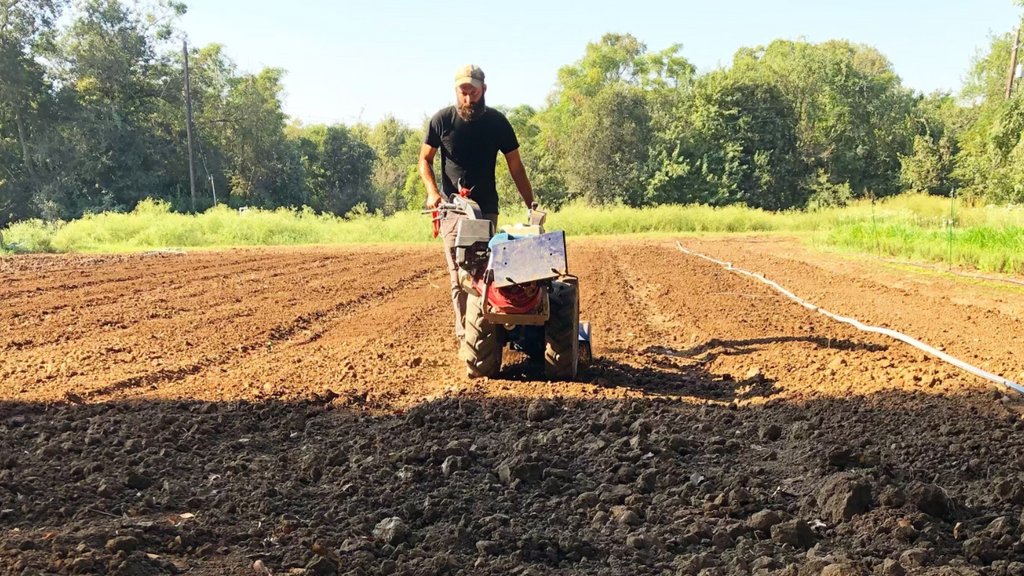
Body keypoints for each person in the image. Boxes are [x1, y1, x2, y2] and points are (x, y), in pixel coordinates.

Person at [419, 64, 535, 342]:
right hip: (452, 210)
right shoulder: (442, 121)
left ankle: (493, 330)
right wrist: (433, 192)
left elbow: (515, 165)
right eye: (463, 92)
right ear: (456, 91)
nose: (468, 98)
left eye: (473, 92)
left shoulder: (497, 123)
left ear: (484, 89)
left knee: (487, 270)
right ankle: (466, 337)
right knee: (459, 272)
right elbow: (424, 160)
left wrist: (531, 203)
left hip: (486, 209)